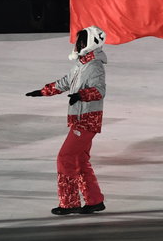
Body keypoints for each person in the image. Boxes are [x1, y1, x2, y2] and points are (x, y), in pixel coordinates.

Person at [26, 26, 107, 215]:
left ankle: (69, 202)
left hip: (87, 120)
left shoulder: (94, 66)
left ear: (90, 43)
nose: (77, 44)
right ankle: (94, 200)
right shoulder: (81, 65)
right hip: (80, 119)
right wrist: (43, 91)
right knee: (80, 159)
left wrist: (81, 95)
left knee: (65, 157)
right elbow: (64, 82)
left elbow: (99, 90)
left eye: (80, 41)